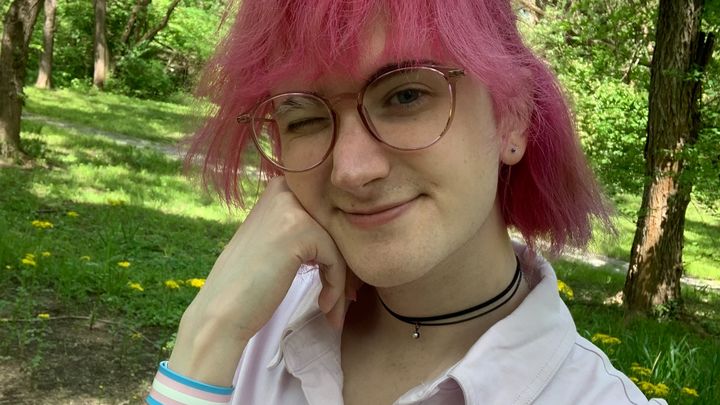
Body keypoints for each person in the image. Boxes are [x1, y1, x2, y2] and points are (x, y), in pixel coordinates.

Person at [146, 1, 667, 404]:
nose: (352, 170)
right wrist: (208, 335)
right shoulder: (257, 321)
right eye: (302, 117)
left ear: (513, 116)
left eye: (406, 96)